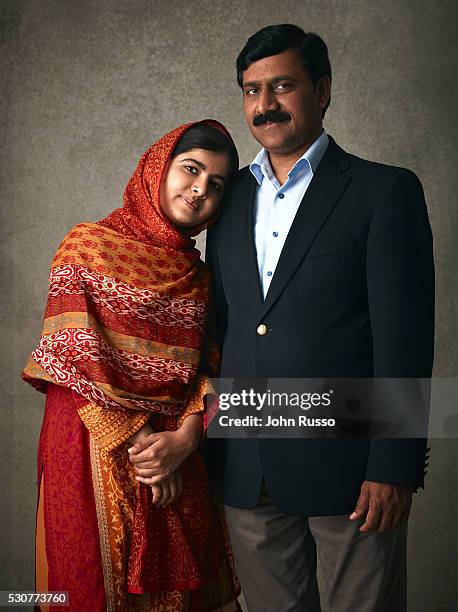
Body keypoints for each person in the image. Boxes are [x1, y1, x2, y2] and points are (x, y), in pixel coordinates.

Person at [205, 25, 434, 612]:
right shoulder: (226, 202)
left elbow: (403, 341)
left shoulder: (383, 192)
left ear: (323, 91)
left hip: (353, 469)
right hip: (248, 467)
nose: (265, 105)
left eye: (283, 85)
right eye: (252, 90)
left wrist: (394, 466)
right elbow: (224, 330)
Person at [23, 120, 242, 612]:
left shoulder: (200, 274)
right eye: (191, 170)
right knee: (90, 583)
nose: (199, 190)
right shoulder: (87, 245)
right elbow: (69, 355)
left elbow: (208, 363)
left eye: (216, 184)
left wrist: (184, 441)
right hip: (92, 444)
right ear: (157, 168)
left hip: (179, 453)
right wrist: (146, 450)